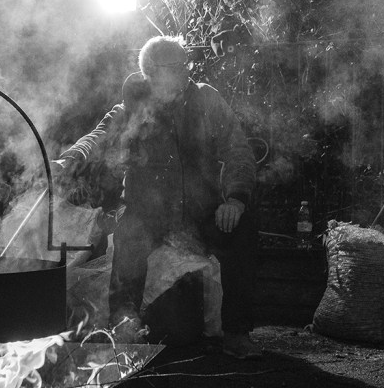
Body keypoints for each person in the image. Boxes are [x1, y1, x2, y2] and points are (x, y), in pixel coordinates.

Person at [56, 35, 262, 359]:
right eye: (175, 67)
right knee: (129, 233)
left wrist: (235, 200)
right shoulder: (132, 108)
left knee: (242, 228)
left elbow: (238, 150)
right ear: (150, 73)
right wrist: (70, 159)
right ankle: (122, 329)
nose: (184, 72)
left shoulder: (206, 101)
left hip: (200, 213)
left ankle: (237, 333)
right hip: (148, 214)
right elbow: (98, 137)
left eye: (184, 65)